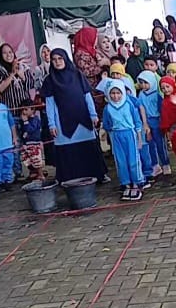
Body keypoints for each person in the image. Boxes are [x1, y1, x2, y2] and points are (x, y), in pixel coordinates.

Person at [39, 48, 108, 185]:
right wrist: (52, 124)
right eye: (54, 59)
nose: (57, 62)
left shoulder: (77, 75)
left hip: (83, 119)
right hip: (63, 122)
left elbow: (87, 96)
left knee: (89, 148)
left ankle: (98, 175)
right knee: (67, 150)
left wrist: (93, 115)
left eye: (60, 58)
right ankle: (68, 179)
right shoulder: (50, 80)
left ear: (65, 58)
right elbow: (50, 104)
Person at [100, 79, 145, 201]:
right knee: (121, 161)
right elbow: (107, 124)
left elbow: (137, 122)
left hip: (130, 134)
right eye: (112, 93)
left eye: (118, 93)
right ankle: (126, 184)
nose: (115, 96)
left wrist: (139, 138)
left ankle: (136, 183)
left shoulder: (129, 105)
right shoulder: (108, 108)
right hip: (116, 135)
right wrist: (105, 133)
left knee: (133, 160)